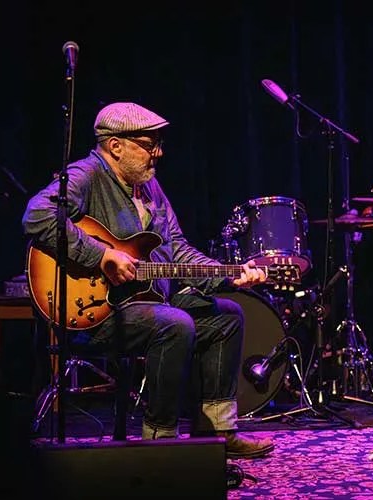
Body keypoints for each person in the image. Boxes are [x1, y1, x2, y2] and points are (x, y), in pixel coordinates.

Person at [22, 101, 274, 458]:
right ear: (116, 146)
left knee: (226, 316)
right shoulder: (87, 174)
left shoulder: (150, 189)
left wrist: (229, 276)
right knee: (175, 324)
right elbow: (37, 216)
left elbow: (179, 252)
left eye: (158, 144)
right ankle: (159, 443)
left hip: (150, 300)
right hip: (97, 311)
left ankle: (216, 432)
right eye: (149, 144)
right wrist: (102, 255)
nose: (158, 153)